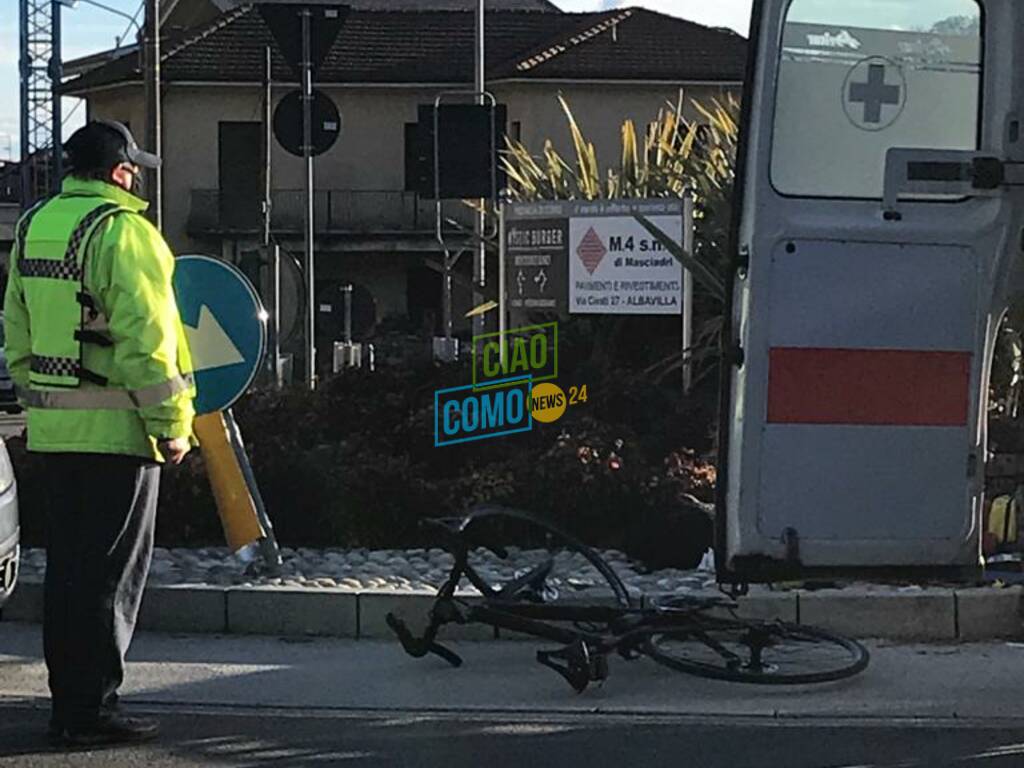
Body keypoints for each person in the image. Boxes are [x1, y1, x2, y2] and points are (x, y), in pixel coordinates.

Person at [4, 120, 195, 746]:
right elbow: (150, 342)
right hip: (118, 438)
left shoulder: (35, 226)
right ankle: (92, 712)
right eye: (134, 167)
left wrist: (43, 406)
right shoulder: (125, 233)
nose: (137, 176)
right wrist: (170, 427)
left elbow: (18, 331)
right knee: (110, 578)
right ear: (119, 171)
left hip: (56, 437)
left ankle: (70, 704)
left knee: (68, 575)